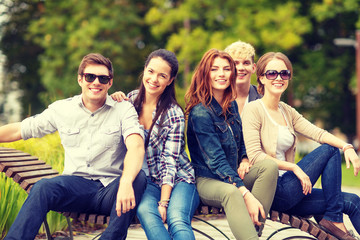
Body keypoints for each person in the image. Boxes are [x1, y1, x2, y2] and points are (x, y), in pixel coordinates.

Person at [2, 53, 147, 240]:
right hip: (75, 189)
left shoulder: (123, 109)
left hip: (111, 190)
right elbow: (20, 130)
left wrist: (126, 183)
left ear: (110, 83)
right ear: (80, 79)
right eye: (90, 77)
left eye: (103, 78)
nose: (96, 82)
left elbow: (136, 145)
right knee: (43, 187)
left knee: (138, 178)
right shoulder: (62, 109)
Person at [242, 52, 360, 240]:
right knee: (330, 150)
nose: (279, 78)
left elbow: (319, 134)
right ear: (262, 78)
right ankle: (334, 219)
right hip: (275, 190)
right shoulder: (253, 109)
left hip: (293, 192)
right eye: (272, 73)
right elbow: (255, 155)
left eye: (284, 73)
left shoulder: (286, 111)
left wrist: (347, 147)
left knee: (353, 201)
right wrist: (294, 167)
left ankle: (333, 217)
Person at [185, 49, 278, 240]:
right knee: (232, 193)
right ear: (205, 73)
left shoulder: (231, 104)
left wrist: (244, 158)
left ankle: (252, 234)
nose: (221, 74)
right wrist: (246, 193)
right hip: (208, 180)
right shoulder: (200, 113)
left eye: (227, 69)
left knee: (269, 166)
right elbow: (216, 161)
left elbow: (241, 139)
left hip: (234, 173)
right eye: (214, 69)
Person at [111, 49, 199, 240]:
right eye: (151, 71)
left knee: (176, 219)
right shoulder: (130, 101)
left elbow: (170, 163)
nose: (154, 79)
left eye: (162, 75)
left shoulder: (174, 114)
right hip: (149, 181)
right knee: (145, 212)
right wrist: (114, 99)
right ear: (144, 70)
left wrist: (164, 202)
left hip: (179, 180)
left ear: (170, 80)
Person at [224, 40, 262, 115]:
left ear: (253, 68)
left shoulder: (263, 99)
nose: (241, 68)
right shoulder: (218, 99)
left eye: (246, 63)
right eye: (235, 63)